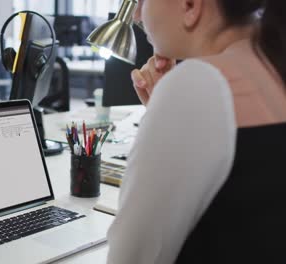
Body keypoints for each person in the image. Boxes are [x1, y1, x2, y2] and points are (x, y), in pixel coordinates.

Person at [107, 0, 286, 263]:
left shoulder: (198, 83)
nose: (136, 14)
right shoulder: (272, 67)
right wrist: (164, 114)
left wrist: (169, 106)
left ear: (190, 6)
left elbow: (131, 255)